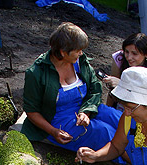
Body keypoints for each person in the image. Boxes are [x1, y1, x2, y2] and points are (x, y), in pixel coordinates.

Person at [21, 22, 122, 153]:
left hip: (86, 108)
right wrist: (53, 132)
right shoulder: (36, 73)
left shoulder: (80, 62)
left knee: (120, 119)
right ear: (63, 52)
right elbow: (31, 111)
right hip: (58, 120)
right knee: (104, 132)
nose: (81, 53)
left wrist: (86, 112)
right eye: (78, 50)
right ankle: (137, 163)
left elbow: (95, 90)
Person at [102, 32, 147, 108]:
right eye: (126, 52)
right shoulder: (120, 59)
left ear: (146, 54)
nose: (129, 57)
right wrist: (108, 108)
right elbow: (112, 90)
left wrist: (122, 84)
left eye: (134, 54)